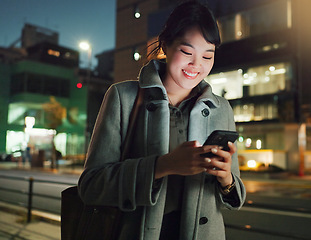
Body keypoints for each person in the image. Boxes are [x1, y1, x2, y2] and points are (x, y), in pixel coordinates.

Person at [77, 1, 246, 240]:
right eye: (187, 52)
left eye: (208, 56)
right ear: (165, 45)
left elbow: (234, 198)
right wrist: (163, 165)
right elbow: (91, 186)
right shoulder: (123, 97)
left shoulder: (222, 109)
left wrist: (226, 178)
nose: (196, 65)